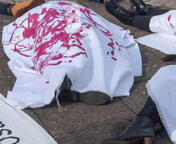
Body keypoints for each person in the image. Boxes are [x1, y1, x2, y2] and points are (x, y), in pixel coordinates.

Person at [1, 1, 142, 109]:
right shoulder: (42, 11)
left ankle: (63, 75)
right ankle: (84, 79)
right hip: (67, 20)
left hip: (63, 19)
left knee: (61, 44)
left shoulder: (39, 13)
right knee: (87, 40)